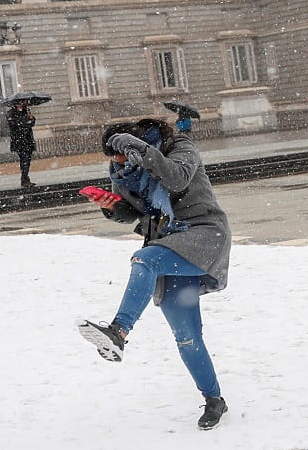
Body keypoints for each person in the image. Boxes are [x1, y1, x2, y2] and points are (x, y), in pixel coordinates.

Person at [77, 117, 232, 430]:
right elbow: (137, 212)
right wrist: (112, 207)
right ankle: (214, 399)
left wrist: (139, 149)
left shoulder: (180, 147)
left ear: (135, 145)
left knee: (144, 260)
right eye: (112, 158)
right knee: (187, 337)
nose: (117, 162)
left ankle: (118, 332)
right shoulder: (125, 169)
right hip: (169, 241)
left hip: (203, 234)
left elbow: (176, 178)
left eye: (120, 155)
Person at [7, 100, 37, 188]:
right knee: (24, 160)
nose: (22, 104)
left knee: (27, 161)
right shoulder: (11, 113)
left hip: (28, 140)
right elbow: (14, 124)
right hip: (19, 141)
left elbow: (31, 124)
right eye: (21, 102)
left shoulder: (26, 111)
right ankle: (24, 179)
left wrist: (31, 118)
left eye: (23, 103)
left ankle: (25, 179)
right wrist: (25, 121)